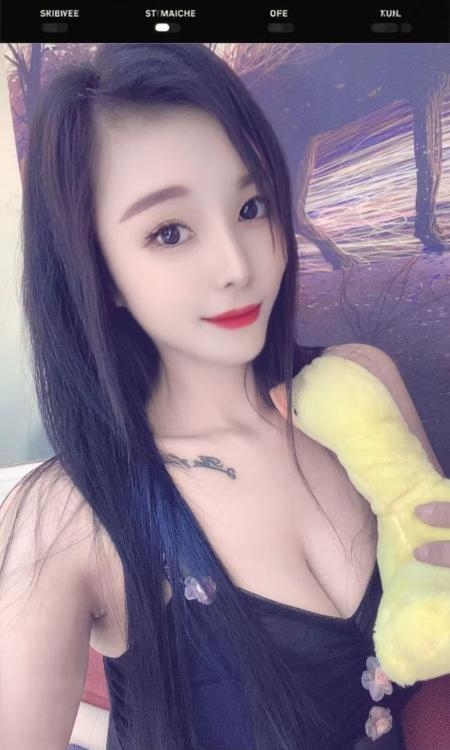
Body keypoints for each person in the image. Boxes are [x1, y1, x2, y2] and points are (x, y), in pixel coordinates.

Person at [0, 42, 448, 750]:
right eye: (169, 232)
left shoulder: (363, 384)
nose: (238, 265)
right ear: (100, 271)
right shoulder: (70, 516)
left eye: (250, 205)